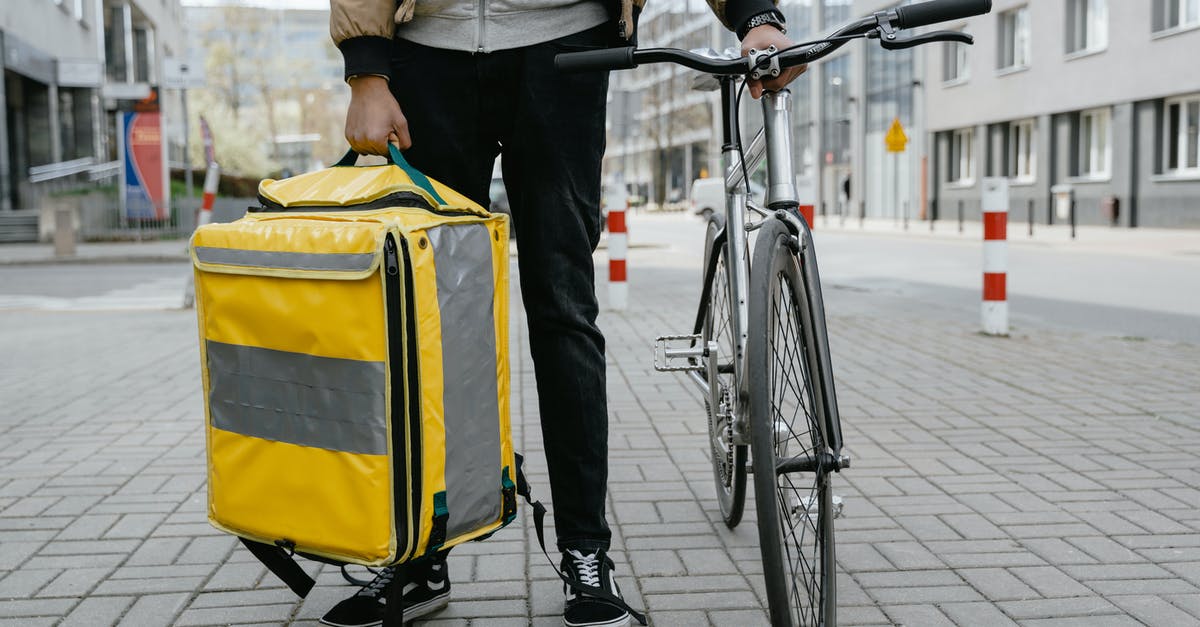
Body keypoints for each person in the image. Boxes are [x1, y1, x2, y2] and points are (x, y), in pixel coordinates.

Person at [321, 0, 803, 625]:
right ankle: (419, 552)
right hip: (426, 52)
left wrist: (753, 13)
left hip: (563, 44)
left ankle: (585, 551)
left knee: (563, 306)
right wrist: (365, 69)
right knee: (426, 319)